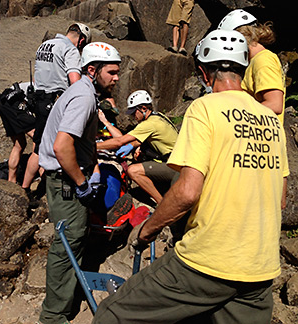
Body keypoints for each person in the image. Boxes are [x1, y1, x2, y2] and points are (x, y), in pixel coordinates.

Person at [92, 29, 289, 324]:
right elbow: (281, 199)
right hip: (261, 268)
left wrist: (150, 229)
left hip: (210, 260)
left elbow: (187, 192)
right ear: (243, 68)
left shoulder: (205, 108)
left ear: (203, 73)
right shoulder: (271, 121)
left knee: (112, 315)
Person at [37, 41, 121, 324]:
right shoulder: (84, 98)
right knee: (67, 246)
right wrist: (82, 182)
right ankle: (53, 317)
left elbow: (77, 141)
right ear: (92, 69)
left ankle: (66, 298)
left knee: (74, 240)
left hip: (66, 179)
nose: (117, 78)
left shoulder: (83, 92)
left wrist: (95, 160)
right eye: (112, 72)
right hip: (66, 182)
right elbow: (62, 147)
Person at [21, 23, 92, 197]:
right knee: (50, 147)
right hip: (55, 101)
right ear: (81, 40)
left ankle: (24, 188)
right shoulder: (71, 50)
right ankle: (37, 191)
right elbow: (75, 81)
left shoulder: (45, 45)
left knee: (39, 145)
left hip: (39, 98)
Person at [96, 90, 179, 205]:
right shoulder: (158, 116)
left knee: (133, 170)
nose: (133, 116)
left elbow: (119, 141)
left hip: (175, 166)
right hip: (178, 159)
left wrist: (93, 146)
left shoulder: (149, 124)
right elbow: (140, 139)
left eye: (134, 112)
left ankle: (161, 203)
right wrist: (132, 146)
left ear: (143, 108)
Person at [218, 9, 286, 124]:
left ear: (239, 38)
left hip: (263, 138)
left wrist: (234, 115)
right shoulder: (255, 61)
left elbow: (275, 104)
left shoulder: (263, 60)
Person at [0, 81, 36, 183]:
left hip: (4, 100)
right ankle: (31, 182)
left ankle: (11, 181)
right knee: (39, 140)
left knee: (19, 144)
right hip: (15, 100)